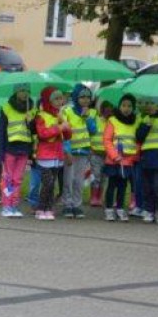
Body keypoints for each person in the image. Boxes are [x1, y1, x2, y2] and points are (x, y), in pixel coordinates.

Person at [33, 87, 72, 220]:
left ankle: (48, 208)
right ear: (48, 100)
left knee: (52, 183)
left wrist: (66, 127)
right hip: (45, 155)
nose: (59, 101)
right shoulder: (41, 116)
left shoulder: (60, 115)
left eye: (61, 98)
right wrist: (59, 127)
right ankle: (41, 207)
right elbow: (43, 134)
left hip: (57, 155)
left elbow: (67, 136)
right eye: (56, 98)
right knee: (47, 183)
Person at [0, 84, 34, 218]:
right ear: (16, 92)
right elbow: (0, 131)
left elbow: (34, 132)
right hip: (9, 149)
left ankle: (14, 205)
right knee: (8, 179)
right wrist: (0, 151)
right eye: (22, 91)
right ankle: (6, 205)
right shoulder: (6, 108)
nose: (25, 93)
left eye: (27, 91)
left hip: (23, 149)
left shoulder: (31, 109)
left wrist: (31, 122)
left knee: (17, 179)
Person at [103, 94, 140, 221]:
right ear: (119, 106)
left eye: (129, 106)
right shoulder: (113, 120)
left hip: (128, 160)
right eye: (124, 105)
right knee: (112, 185)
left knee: (123, 185)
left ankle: (119, 208)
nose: (126, 108)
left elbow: (137, 141)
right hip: (114, 160)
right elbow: (107, 140)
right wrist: (114, 155)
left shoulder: (136, 121)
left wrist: (135, 156)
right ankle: (108, 208)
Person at [61, 85, 95, 218]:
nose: (85, 100)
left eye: (88, 97)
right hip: (71, 152)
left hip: (83, 152)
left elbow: (93, 131)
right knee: (68, 179)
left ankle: (77, 204)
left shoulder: (90, 113)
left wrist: (87, 118)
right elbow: (65, 133)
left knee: (79, 180)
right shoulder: (68, 112)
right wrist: (67, 151)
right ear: (76, 97)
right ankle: (67, 204)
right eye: (82, 97)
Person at [88, 99, 113, 207]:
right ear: (102, 110)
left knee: (104, 177)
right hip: (95, 153)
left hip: (107, 154)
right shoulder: (96, 119)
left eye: (110, 111)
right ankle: (93, 197)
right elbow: (90, 132)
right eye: (106, 110)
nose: (108, 112)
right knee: (96, 175)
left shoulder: (112, 122)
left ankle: (99, 197)